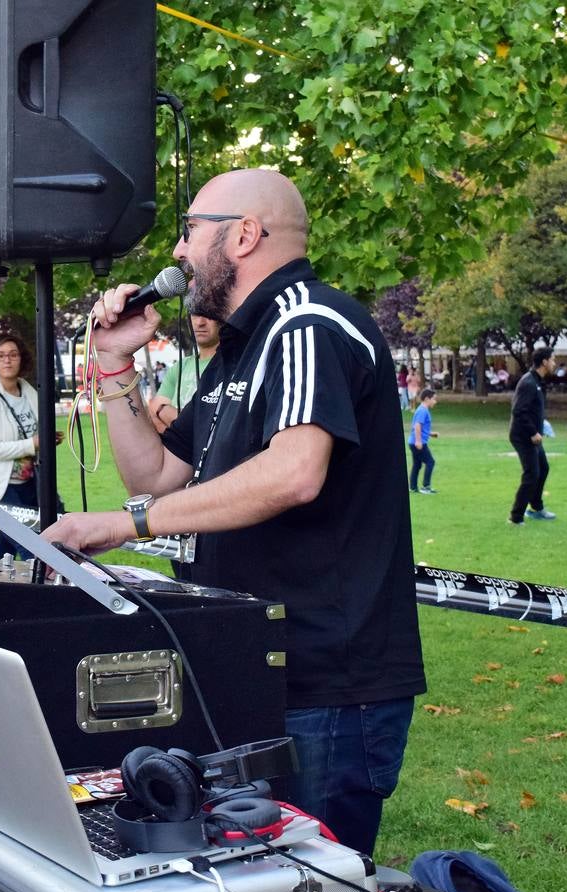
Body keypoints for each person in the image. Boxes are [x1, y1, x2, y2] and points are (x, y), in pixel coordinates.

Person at [41, 168, 425, 856]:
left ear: (243, 235)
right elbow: (156, 475)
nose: (180, 252)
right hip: (252, 668)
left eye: (190, 230)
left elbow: (294, 472)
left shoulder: (306, 324)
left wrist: (121, 526)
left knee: (307, 877)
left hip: (324, 686)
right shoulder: (242, 347)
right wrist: (114, 367)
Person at [0, 333, 63, 558]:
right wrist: (31, 445)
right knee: (32, 550)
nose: (7, 360)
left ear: (21, 358)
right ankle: (47, 589)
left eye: (12, 354)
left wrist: (46, 440)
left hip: (29, 482)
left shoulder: (27, 389)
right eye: (1, 356)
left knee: (4, 548)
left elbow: (34, 432)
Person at [508, 347, 557, 525]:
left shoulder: (537, 381)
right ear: (544, 362)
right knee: (532, 474)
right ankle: (516, 517)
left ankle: (536, 508)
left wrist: (542, 424)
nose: (554, 363)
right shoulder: (529, 382)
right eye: (552, 359)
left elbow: (532, 409)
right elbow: (518, 411)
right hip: (523, 436)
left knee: (543, 469)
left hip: (533, 436)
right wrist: (533, 431)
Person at [148, 315, 221, 435]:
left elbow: (216, 428)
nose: (200, 322)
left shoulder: (233, 365)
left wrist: (163, 410)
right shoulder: (180, 366)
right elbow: (153, 410)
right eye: (195, 315)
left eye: (208, 315)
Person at [408, 388, 439, 494]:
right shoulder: (422, 411)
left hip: (413, 442)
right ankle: (426, 487)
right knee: (430, 462)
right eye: (434, 399)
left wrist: (431, 434)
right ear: (427, 399)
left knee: (417, 464)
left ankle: (412, 487)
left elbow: (421, 427)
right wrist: (418, 441)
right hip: (417, 442)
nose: (435, 402)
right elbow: (417, 426)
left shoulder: (422, 410)